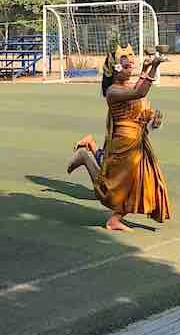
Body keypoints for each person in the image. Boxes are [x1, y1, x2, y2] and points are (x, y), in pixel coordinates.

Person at [66, 44, 170, 231]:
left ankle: (114, 220)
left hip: (137, 141)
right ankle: (84, 158)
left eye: (131, 64)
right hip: (124, 142)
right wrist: (154, 66)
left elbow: (142, 104)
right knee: (113, 187)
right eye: (126, 65)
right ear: (115, 70)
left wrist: (153, 120)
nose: (130, 67)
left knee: (140, 181)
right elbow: (140, 92)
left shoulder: (129, 85)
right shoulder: (113, 91)